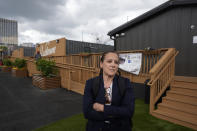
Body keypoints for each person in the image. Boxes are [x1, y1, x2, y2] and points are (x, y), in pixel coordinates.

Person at [83, 51, 135, 131]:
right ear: (101, 64)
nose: (113, 65)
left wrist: (102, 108)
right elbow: (87, 112)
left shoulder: (125, 83)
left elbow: (128, 111)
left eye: (116, 62)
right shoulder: (91, 83)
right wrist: (116, 113)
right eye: (109, 61)